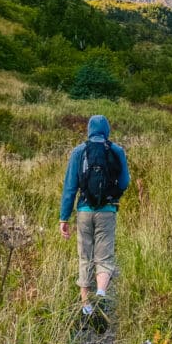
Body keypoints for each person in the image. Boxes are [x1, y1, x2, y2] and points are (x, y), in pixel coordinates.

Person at [60, 114, 130, 324]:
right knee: (104, 256)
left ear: (89, 130)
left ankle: (86, 307)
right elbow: (125, 181)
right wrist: (112, 196)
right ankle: (100, 295)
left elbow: (70, 187)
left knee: (85, 256)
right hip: (107, 211)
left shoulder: (79, 151)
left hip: (84, 210)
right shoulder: (116, 150)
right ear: (107, 130)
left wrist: (64, 217)